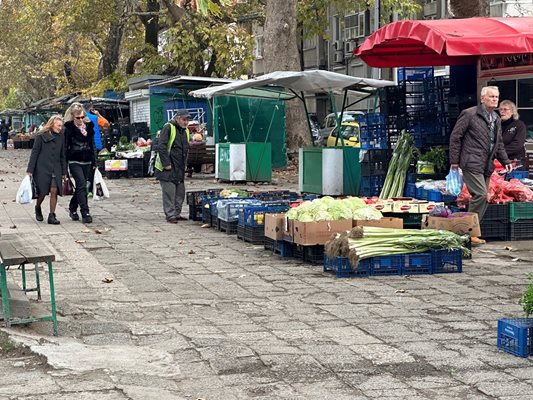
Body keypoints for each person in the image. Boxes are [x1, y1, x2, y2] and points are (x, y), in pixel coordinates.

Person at [449, 86, 513, 245]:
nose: (494, 99)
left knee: (483, 198)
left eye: (496, 97)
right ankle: (467, 232)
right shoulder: (469, 114)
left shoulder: (496, 118)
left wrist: (505, 161)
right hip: (471, 162)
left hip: (486, 164)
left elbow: (498, 143)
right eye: (491, 96)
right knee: (481, 195)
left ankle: (468, 232)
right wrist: (454, 162)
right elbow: (455, 138)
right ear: (482, 98)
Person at [26, 115, 67, 224]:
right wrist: (30, 170)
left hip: (56, 167)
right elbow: (34, 153)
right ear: (52, 124)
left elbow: (63, 155)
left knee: (54, 190)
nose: (60, 128)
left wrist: (64, 172)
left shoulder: (61, 136)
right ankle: (38, 207)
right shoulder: (41, 136)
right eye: (58, 125)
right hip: (42, 168)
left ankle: (52, 215)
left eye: (61, 126)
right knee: (42, 192)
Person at [154, 109, 190, 223]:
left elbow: (185, 149)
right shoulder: (168, 127)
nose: (186, 122)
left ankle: (176, 213)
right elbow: (161, 146)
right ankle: (170, 215)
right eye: (184, 120)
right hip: (168, 167)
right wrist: (166, 164)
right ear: (178, 118)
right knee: (169, 192)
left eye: (187, 120)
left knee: (180, 192)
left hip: (179, 166)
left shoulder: (185, 131)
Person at [64, 102, 97, 224]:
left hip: (87, 160)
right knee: (82, 184)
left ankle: (73, 207)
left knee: (82, 187)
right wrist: (64, 166)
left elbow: (92, 144)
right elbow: (65, 147)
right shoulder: (68, 128)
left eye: (82, 117)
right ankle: (85, 211)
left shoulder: (89, 126)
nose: (80, 120)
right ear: (73, 116)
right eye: (78, 118)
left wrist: (95, 160)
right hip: (74, 160)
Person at [499, 100, 527, 166]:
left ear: (512, 111)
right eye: (500, 109)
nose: (502, 111)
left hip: (515, 160)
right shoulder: (497, 125)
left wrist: (500, 153)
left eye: (505, 109)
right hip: (499, 160)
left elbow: (517, 144)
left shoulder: (519, 125)